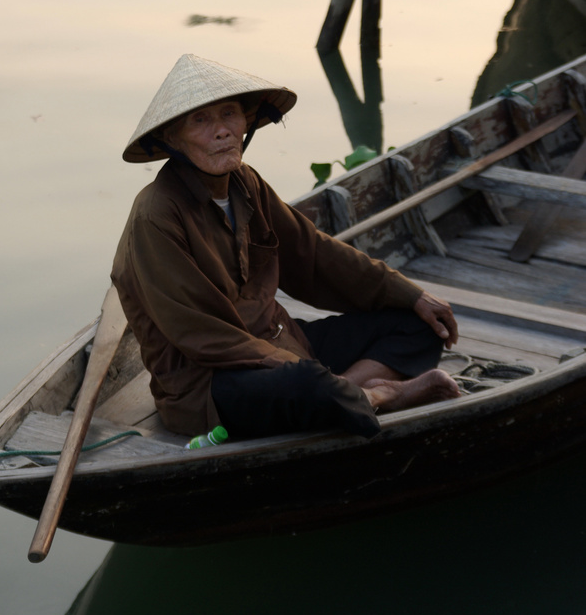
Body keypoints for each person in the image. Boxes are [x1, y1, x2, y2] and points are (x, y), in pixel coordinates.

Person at [111, 53, 460, 440]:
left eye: (229, 114)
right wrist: (299, 369)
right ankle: (376, 394)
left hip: (285, 343)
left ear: (247, 121)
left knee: (418, 324)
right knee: (306, 382)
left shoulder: (246, 184)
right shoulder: (156, 216)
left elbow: (314, 256)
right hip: (208, 385)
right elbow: (202, 336)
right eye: (201, 120)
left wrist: (410, 294)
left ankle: (344, 394)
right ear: (172, 138)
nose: (222, 131)